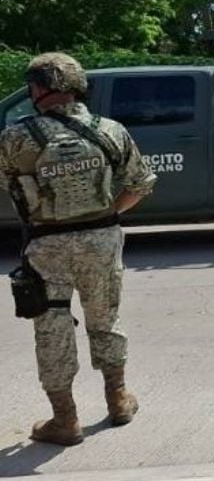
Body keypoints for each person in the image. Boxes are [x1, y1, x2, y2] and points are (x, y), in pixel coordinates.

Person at [0, 53, 157, 446]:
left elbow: (8, 184)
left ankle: (64, 419)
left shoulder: (15, 136)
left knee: (51, 326)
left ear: (38, 89)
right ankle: (118, 399)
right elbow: (140, 184)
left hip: (46, 242)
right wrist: (106, 214)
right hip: (101, 239)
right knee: (105, 318)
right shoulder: (111, 129)